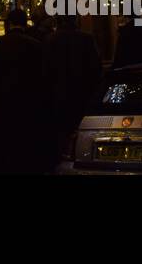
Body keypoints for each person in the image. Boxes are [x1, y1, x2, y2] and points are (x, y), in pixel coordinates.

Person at [42, 13, 103, 171]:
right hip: (82, 94)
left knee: (61, 134)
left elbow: (45, 70)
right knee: (83, 133)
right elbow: (96, 68)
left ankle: (63, 164)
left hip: (58, 94)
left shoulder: (51, 40)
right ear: (76, 20)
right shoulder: (86, 38)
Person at [0, 8, 47, 172]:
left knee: (9, 141)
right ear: (25, 23)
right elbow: (41, 74)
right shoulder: (34, 44)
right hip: (29, 100)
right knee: (27, 142)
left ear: (9, 23)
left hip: (5, 99)